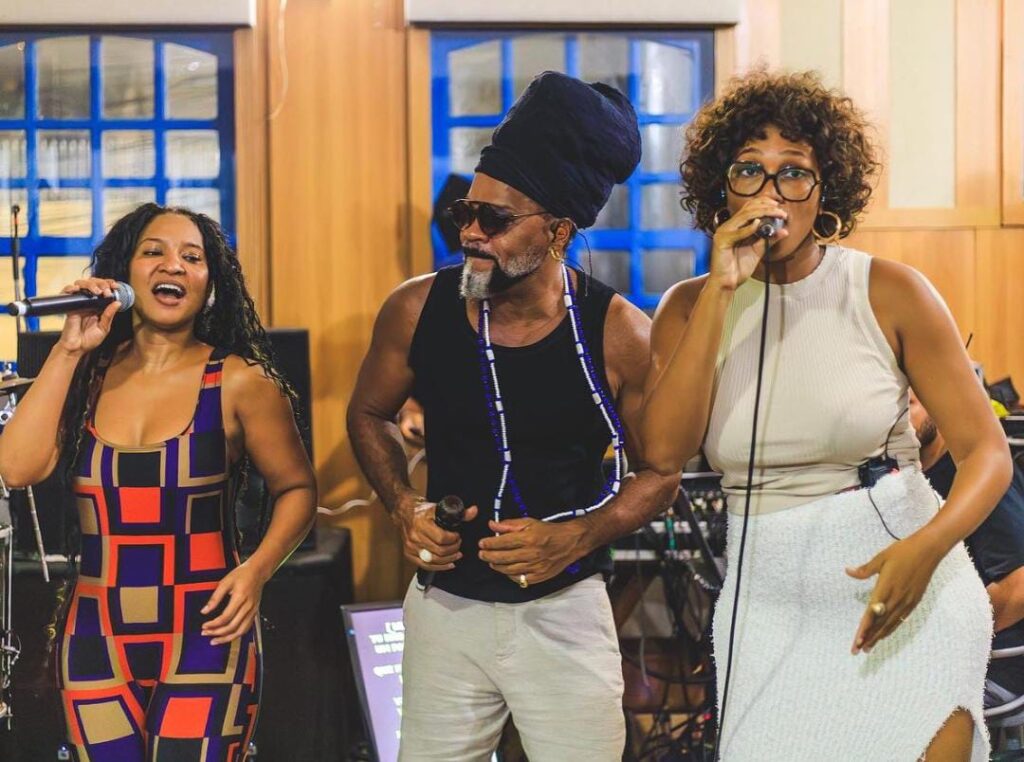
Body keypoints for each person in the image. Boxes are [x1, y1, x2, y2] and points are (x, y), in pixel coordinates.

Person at [640, 70, 1011, 760]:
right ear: (722, 189)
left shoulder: (890, 291)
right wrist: (722, 291)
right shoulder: (689, 307)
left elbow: (987, 453)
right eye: (749, 170)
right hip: (766, 607)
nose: (771, 191)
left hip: (909, 588)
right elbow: (663, 452)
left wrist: (927, 549)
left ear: (825, 189)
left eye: (794, 172)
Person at [347, 71, 679, 762]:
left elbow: (661, 471)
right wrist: (403, 505)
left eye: (494, 221)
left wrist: (579, 535)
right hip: (444, 611)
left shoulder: (618, 332)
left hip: (565, 613)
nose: (471, 234)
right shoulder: (415, 308)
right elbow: (369, 413)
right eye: (466, 214)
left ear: (558, 231)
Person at [0, 204, 317, 761]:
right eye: (154, 252)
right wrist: (70, 348)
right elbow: (16, 468)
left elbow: (298, 488)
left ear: (209, 284)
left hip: (206, 632)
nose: (173, 265)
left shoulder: (239, 381)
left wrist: (256, 571)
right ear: (123, 275)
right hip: (96, 636)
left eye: (192, 257)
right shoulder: (86, 375)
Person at [911, 389, 1024, 712]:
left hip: (997, 663)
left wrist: (939, 642)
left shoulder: (977, 475)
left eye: (910, 403)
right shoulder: (912, 480)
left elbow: (1018, 588)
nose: (898, 417)